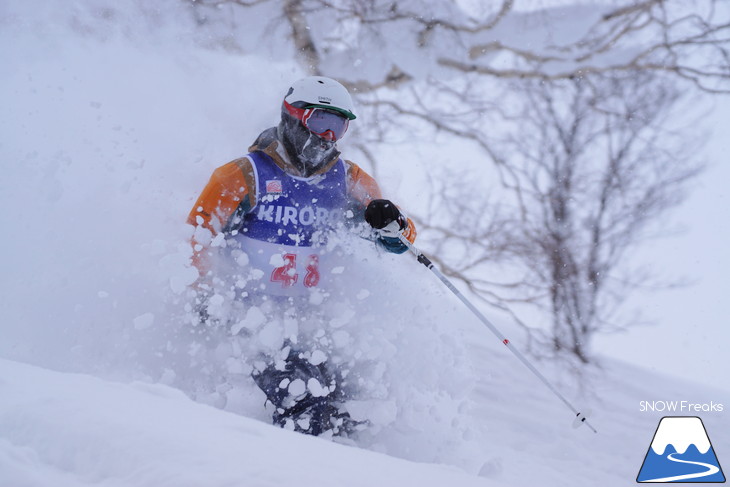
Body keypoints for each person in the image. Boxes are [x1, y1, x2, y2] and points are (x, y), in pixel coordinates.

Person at [186, 76, 417, 436]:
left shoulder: (348, 178)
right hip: (254, 321)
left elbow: (398, 241)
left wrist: (391, 222)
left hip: (314, 323)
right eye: (321, 122)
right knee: (307, 405)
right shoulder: (244, 175)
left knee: (352, 406)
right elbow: (197, 238)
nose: (328, 137)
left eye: (338, 127)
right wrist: (203, 295)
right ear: (293, 118)